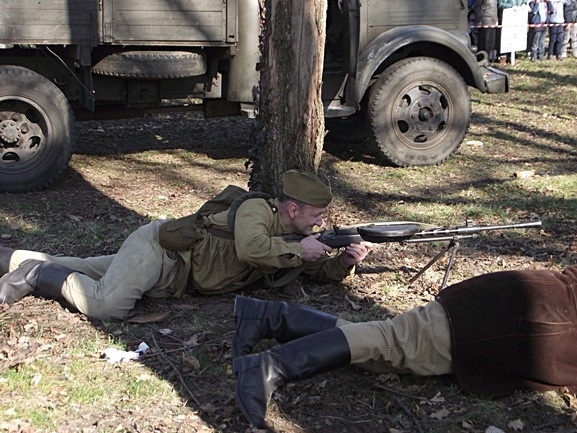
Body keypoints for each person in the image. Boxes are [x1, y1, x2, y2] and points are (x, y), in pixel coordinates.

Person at [231, 265, 577, 429]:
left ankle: (270, 317)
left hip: (530, 308)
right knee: (394, 342)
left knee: (386, 348)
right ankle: (269, 367)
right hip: (522, 318)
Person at [0, 170, 371, 320]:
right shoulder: (256, 209)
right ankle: (36, 274)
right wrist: (300, 249)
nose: (322, 222)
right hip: (159, 251)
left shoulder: (298, 237)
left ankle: (10, 258)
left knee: (80, 266)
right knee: (106, 304)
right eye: (317, 214)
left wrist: (344, 262)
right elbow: (251, 248)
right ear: (292, 208)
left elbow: (316, 269)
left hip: (173, 277)